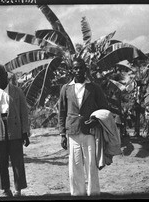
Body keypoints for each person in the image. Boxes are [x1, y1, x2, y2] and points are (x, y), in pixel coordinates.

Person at [58, 58, 109, 196]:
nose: (78, 71)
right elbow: (62, 112)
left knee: (91, 164)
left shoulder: (93, 88)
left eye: (81, 68)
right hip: (73, 132)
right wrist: (62, 134)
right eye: (75, 68)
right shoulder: (66, 88)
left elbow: (104, 109)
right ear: (72, 70)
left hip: (90, 132)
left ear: (85, 69)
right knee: (75, 166)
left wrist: (96, 121)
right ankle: (77, 194)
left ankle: (93, 193)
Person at [0, 64, 30, 197]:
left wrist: (25, 132)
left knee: (17, 160)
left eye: (1, 75)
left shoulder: (17, 91)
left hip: (14, 128)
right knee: (1, 162)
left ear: (6, 75)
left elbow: (24, 113)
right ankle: (5, 189)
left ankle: (18, 189)